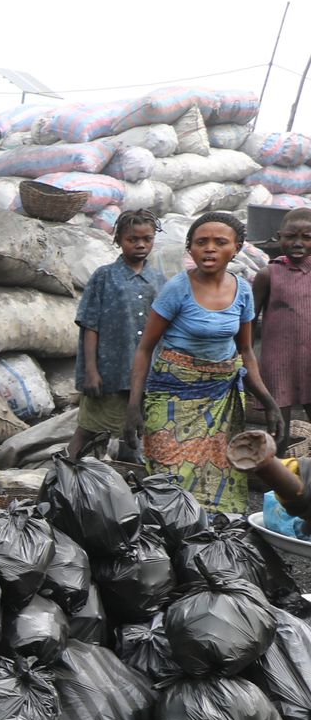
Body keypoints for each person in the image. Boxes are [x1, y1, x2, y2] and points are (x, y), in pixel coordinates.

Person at [123, 212, 283, 514]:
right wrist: (134, 405)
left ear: (236, 248)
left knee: (214, 473)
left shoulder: (243, 290)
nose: (209, 248)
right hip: (172, 394)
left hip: (219, 397)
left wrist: (267, 401)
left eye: (219, 242)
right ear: (190, 249)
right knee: (168, 473)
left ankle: (207, 542)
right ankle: (165, 537)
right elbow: (145, 348)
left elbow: (246, 351)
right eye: (201, 242)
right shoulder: (177, 289)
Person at [68, 209, 164, 458]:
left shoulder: (158, 279)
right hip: (110, 373)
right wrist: (91, 371)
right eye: (133, 239)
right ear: (119, 240)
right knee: (88, 431)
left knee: (135, 436)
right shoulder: (105, 276)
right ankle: (63, 480)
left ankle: (126, 491)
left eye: (147, 239)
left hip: (144, 376)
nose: (141, 245)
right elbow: (90, 325)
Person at [255, 207, 311, 426]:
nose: (298, 243)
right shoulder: (269, 274)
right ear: (279, 237)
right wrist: (246, 357)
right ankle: (278, 459)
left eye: (307, 238)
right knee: (278, 428)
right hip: (278, 361)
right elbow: (249, 320)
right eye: (290, 237)